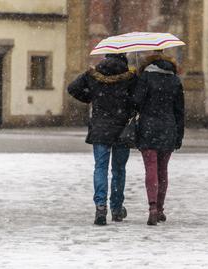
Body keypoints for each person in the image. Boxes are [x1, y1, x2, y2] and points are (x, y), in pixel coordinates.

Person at [67, 53, 137, 225]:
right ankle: (116, 208)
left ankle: (100, 207)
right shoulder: (130, 77)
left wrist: (91, 97)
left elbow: (72, 88)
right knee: (119, 170)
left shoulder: (94, 75)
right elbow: (138, 100)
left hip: (100, 128)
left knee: (100, 168)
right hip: (122, 130)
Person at [133, 51, 185, 226]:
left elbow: (136, 102)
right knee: (163, 170)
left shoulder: (146, 77)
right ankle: (161, 209)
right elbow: (180, 112)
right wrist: (179, 135)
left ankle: (152, 207)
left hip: (148, 128)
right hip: (168, 128)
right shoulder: (175, 80)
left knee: (151, 169)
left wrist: (136, 83)